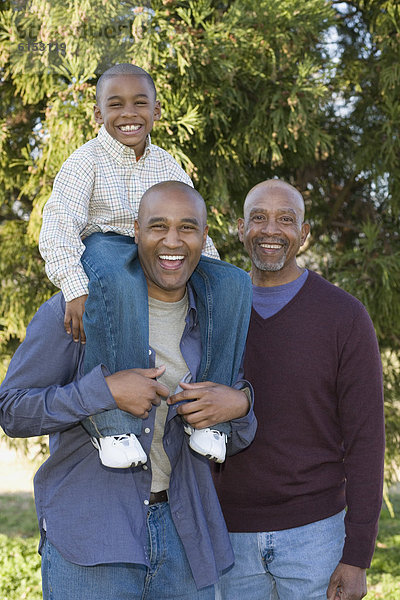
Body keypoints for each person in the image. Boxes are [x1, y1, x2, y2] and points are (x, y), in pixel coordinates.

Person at [0, 182, 256, 600]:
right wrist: (103, 393)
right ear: (135, 231)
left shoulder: (214, 317)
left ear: (204, 237)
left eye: (187, 228)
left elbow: (239, 433)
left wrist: (240, 404)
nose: (172, 241)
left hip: (185, 538)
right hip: (92, 538)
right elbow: (11, 409)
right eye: (158, 226)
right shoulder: (78, 308)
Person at [39, 63, 224, 468]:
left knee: (234, 283)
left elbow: (191, 223)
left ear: (156, 111)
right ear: (98, 113)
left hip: (155, 248)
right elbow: (57, 225)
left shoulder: (167, 164)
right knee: (118, 272)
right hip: (105, 247)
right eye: (115, 104)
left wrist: (214, 275)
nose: (128, 114)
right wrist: (75, 287)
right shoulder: (85, 161)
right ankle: (114, 427)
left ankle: (207, 414)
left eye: (140, 103)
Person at [213, 179, 385, 600]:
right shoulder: (213, 309)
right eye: (259, 218)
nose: (271, 230)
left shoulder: (344, 316)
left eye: (286, 220)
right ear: (240, 228)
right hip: (226, 540)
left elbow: (366, 441)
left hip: (317, 539)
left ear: (304, 234)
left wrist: (357, 555)